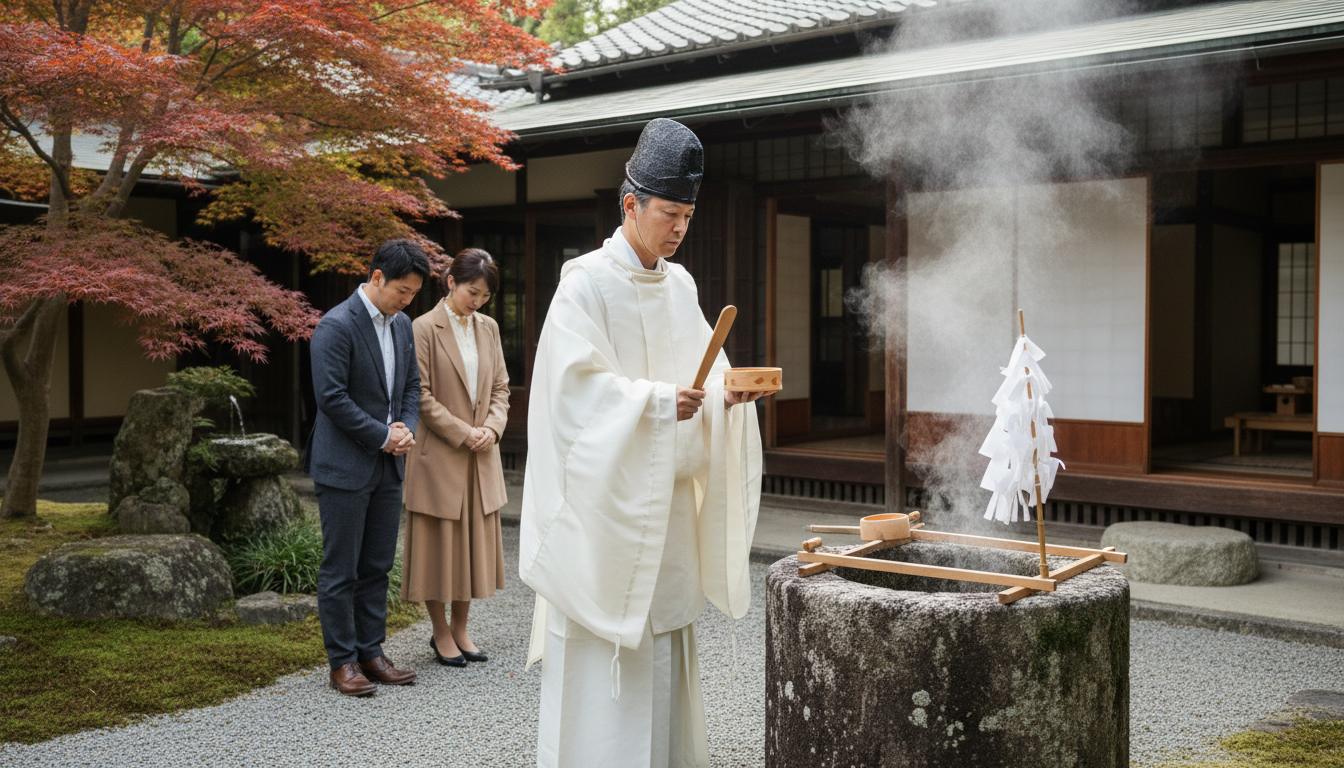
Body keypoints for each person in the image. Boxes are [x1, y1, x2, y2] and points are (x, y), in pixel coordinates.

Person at [519, 118, 770, 767]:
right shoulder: (584, 284)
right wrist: (657, 404)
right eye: (669, 213)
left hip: (667, 520)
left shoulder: (679, 284)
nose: (679, 228)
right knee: (603, 680)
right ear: (630, 205)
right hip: (608, 520)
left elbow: (704, 372)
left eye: (687, 214)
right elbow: (571, 398)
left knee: (664, 661)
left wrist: (726, 396)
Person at [305, 238, 428, 697]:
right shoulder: (336, 326)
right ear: (376, 278)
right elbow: (331, 398)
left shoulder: (402, 326)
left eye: (413, 293)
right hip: (344, 465)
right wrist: (383, 434)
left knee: (377, 564)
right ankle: (343, 662)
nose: (407, 300)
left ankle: (372, 652)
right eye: (401, 290)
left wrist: (406, 429)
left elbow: (412, 387)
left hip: (388, 466)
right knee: (342, 568)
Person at [401, 248, 510, 667]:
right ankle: (440, 631)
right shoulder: (423, 327)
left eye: (484, 296)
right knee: (436, 545)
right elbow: (421, 395)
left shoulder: (490, 329)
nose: (477, 301)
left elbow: (501, 387)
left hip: (482, 454)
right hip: (440, 454)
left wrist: (493, 429)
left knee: (471, 545)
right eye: (472, 291)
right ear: (450, 282)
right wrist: (465, 433)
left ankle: (462, 627)